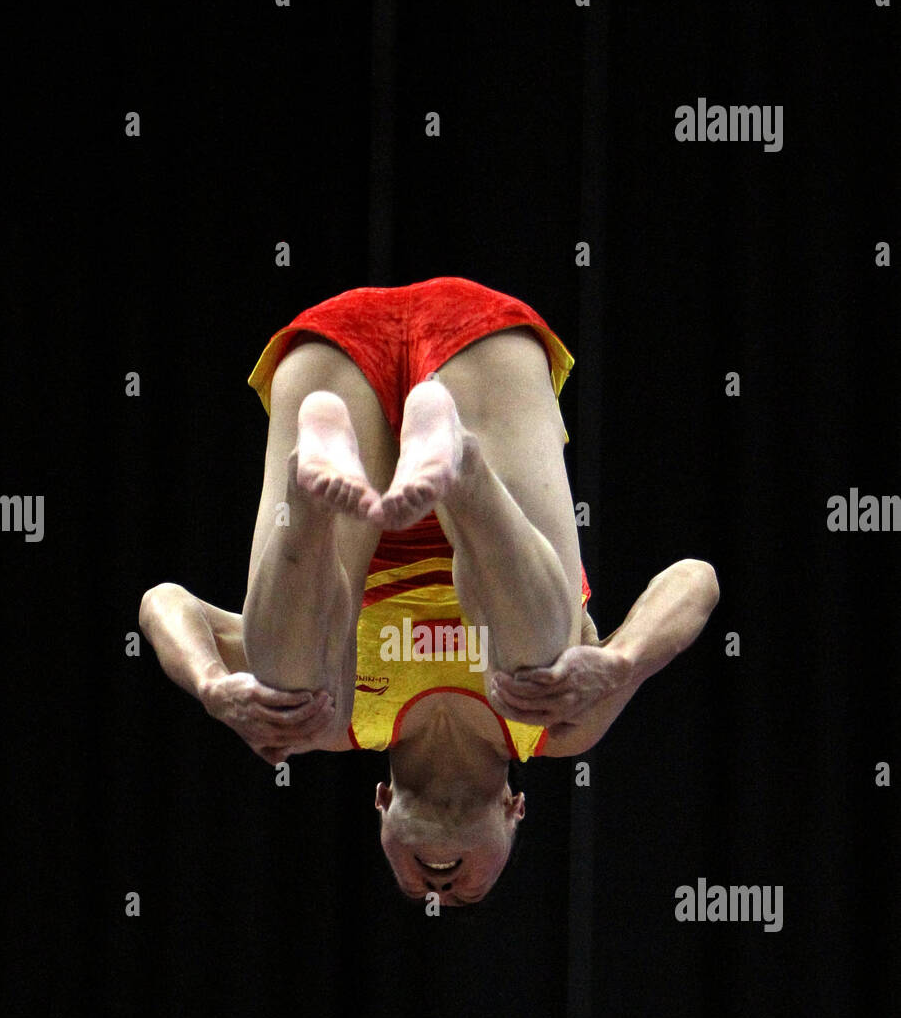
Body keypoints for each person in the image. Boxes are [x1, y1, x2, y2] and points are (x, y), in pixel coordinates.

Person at [139, 276, 719, 906]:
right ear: (515, 807)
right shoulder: (566, 730)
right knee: (547, 678)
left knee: (292, 704)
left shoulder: (339, 725)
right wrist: (621, 661)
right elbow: (697, 579)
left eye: (421, 893)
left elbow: (163, 602)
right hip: (481, 351)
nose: (439, 887)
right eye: (467, 894)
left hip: (333, 358)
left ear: (381, 802)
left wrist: (209, 685)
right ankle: (463, 467)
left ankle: (309, 491)